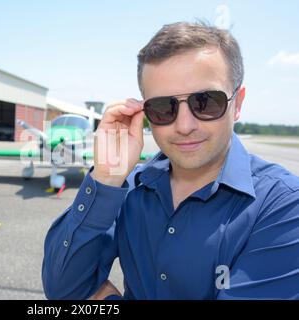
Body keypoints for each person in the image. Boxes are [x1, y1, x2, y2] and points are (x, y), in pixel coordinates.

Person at [42, 21, 299, 299]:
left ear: (237, 104)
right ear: (144, 112)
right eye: (164, 108)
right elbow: (63, 289)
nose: (184, 125)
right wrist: (106, 176)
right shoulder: (126, 189)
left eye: (206, 101)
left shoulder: (283, 205)